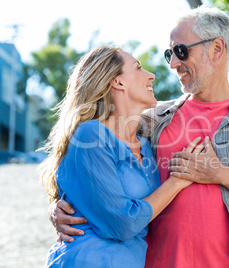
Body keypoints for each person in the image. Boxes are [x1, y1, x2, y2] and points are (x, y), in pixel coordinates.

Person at [50, 6, 229, 267]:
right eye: (169, 54)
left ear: (216, 49)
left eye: (181, 51)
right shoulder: (151, 119)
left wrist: (223, 175)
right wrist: (63, 207)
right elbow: (92, 172)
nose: (173, 64)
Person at [40, 45, 204, 267]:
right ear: (117, 82)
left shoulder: (146, 146)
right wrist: (177, 181)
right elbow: (122, 224)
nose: (151, 75)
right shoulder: (91, 135)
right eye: (138, 68)